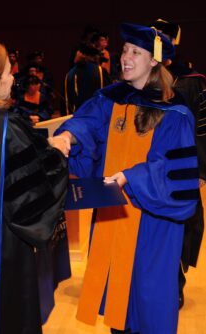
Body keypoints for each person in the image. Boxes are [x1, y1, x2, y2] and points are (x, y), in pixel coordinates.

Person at [53, 23, 200, 333]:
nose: (125, 58)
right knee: (117, 300)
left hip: (152, 219)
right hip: (113, 212)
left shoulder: (174, 112)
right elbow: (88, 124)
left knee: (146, 297)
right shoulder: (110, 100)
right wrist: (68, 135)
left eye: (136, 52)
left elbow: (172, 172)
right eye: (124, 51)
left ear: (154, 61)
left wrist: (130, 178)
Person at [0, 38, 69, 334]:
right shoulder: (1, 125)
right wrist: (56, 152)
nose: (13, 78)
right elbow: (30, 200)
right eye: (8, 72)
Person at [150, 18, 206, 309]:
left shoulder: (192, 79)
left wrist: (202, 169)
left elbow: (203, 128)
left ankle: (175, 283)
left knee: (179, 223)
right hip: (145, 169)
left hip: (180, 166)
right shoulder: (139, 78)